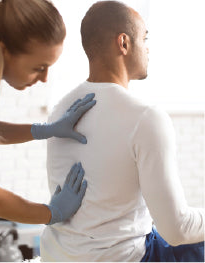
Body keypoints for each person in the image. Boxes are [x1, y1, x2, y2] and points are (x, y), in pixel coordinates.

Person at [40, 0, 204, 261]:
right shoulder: (146, 117)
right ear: (124, 43)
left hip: (59, 255)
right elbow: (177, 230)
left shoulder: (61, 109)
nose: (148, 49)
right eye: (145, 38)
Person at [0, 0, 97, 226]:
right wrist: (53, 213)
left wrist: (44, 131)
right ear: (4, 50)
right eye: (39, 67)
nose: (44, 78)